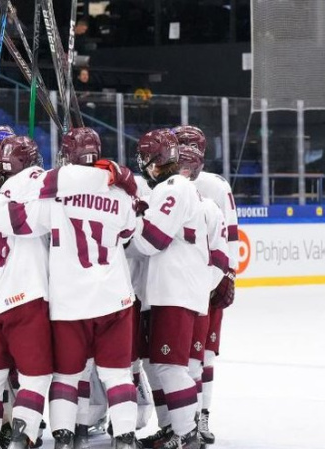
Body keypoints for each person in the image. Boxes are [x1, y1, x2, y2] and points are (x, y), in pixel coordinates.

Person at [0, 128, 141, 449]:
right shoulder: (119, 194)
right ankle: (125, 438)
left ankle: (64, 438)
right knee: (117, 375)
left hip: (68, 301)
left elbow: (19, 222)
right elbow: (129, 232)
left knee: (65, 376)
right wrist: (123, 179)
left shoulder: (55, 194)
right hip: (114, 297)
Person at [0, 135, 52, 449]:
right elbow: (26, 222)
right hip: (24, 294)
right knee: (36, 374)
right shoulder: (35, 180)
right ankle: (21, 436)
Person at [130, 129, 209, 449]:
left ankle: (186, 432)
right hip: (172, 290)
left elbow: (151, 242)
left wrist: (128, 225)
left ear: (156, 160)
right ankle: (177, 428)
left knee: (169, 365)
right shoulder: (175, 188)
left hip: (175, 291)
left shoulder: (174, 188)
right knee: (163, 364)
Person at [173, 126, 237, 446]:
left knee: (203, 356)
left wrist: (227, 276)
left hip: (208, 284)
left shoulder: (214, 185)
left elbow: (231, 237)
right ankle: (182, 419)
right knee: (175, 358)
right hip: (177, 284)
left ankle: (202, 415)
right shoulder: (166, 184)